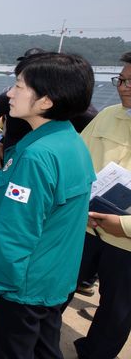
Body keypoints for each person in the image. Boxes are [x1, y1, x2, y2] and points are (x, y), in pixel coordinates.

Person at [0, 52, 96, 358]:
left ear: (46, 101)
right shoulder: (71, 141)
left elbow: (16, 232)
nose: (10, 94)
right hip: (52, 281)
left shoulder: (36, 155)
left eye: (19, 86)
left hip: (22, 288)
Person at [66, 51, 131, 359]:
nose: (123, 87)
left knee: (116, 310)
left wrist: (124, 224)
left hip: (126, 241)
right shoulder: (107, 116)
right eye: (121, 80)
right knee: (61, 284)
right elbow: (79, 159)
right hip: (86, 226)